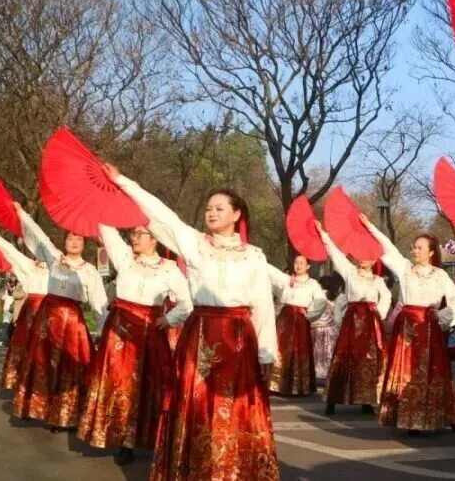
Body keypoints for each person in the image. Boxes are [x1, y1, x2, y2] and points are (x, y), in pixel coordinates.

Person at [108, 164, 280, 480]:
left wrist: (266, 353)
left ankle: (234, 471)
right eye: (209, 208)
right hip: (201, 334)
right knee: (197, 405)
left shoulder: (255, 255)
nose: (211, 213)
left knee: (236, 406)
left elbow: (263, 306)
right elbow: (163, 215)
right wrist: (123, 181)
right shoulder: (195, 242)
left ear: (236, 214)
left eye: (219, 208)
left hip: (239, 337)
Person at [77, 224, 192, 465]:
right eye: (133, 234)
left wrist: (168, 319)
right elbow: (108, 232)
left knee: (147, 383)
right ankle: (121, 439)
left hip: (149, 331)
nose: (135, 238)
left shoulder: (169, 268)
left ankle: (147, 437)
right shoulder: (125, 258)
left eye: (141, 234)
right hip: (119, 330)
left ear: (154, 239)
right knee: (118, 382)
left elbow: (186, 302)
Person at [361, 218, 455, 435]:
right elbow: (388, 249)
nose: (415, 251)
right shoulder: (405, 269)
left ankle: (445, 415)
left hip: (430, 328)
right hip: (407, 329)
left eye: (420, 248)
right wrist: (370, 227)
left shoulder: (441, 275)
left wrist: (441, 316)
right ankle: (409, 416)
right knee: (407, 370)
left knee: (435, 371)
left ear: (431, 252)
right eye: (414, 247)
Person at [11, 204, 108, 432]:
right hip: (47, 321)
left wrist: (102, 331)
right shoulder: (54, 259)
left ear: (84, 244)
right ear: (64, 241)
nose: (74, 242)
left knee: (70, 369)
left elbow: (99, 303)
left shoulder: (90, 271)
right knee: (43, 364)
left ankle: (65, 415)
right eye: (70, 238)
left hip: (73, 323)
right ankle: (42, 409)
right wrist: (22, 213)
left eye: (79, 239)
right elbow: (38, 237)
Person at [316, 223, 391, 416]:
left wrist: (379, 313)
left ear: (374, 260)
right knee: (343, 358)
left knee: (368, 360)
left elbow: (387, 297)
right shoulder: (350, 273)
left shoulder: (379, 281)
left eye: (368, 255)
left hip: (371, 324)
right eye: (361, 254)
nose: (363, 258)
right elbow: (336, 255)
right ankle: (333, 399)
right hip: (352, 322)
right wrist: (323, 234)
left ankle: (366, 399)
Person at [0, 225, 50, 390]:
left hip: (50, 313)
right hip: (31, 312)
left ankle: (45, 385)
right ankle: (25, 383)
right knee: (27, 350)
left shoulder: (58, 265)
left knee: (47, 353)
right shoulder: (28, 265)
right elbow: (9, 250)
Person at [267, 254, 327, 397]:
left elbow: (321, 301)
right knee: (281, 349)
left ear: (308, 266)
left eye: (302, 263)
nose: (298, 265)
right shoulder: (287, 280)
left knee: (299, 350)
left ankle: (299, 386)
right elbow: (271, 272)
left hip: (301, 320)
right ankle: (277, 384)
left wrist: (310, 315)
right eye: (296, 262)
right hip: (285, 319)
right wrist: (258, 258)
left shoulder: (313, 284)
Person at [312, 272, 343, 384]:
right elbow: (337, 316)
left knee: (317, 353)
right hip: (330, 328)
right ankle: (327, 374)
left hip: (316, 327)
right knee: (328, 353)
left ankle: (317, 374)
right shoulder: (334, 297)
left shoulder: (317, 296)